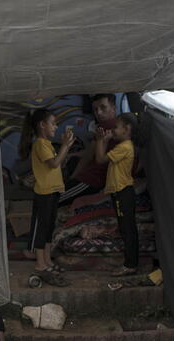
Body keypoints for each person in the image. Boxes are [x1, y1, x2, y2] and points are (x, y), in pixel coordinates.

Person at [19, 109, 75, 285]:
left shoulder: (47, 144)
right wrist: (65, 145)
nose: (56, 126)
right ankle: (40, 263)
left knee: (49, 227)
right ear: (42, 125)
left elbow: (58, 162)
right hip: (43, 192)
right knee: (40, 230)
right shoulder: (40, 144)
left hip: (53, 191)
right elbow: (54, 163)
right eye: (53, 123)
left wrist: (65, 148)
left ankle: (48, 261)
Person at [95, 112, 139, 276]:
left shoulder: (124, 147)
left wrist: (100, 140)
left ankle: (130, 264)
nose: (112, 130)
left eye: (115, 127)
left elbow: (100, 159)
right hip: (121, 192)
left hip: (123, 192)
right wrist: (105, 141)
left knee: (127, 229)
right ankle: (130, 263)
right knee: (126, 228)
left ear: (127, 129)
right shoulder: (124, 146)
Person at [60, 93, 119, 205]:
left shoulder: (105, 127)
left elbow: (88, 157)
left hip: (92, 180)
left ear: (113, 108)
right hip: (99, 178)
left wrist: (74, 178)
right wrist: (72, 155)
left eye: (103, 107)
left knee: (53, 200)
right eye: (96, 109)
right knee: (72, 159)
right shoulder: (116, 126)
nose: (99, 113)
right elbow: (90, 151)